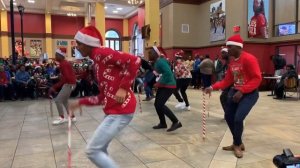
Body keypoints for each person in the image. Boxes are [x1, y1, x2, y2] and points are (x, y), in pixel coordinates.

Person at [68, 26, 141, 168]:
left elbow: (134, 61)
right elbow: (104, 96)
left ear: (89, 44)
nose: (77, 47)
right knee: (100, 149)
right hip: (113, 111)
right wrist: (81, 102)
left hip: (121, 110)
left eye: (79, 44)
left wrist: (123, 88)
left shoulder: (101, 52)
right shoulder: (96, 62)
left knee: (92, 150)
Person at [205, 34, 262, 158]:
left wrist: (242, 91)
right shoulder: (232, 62)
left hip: (249, 94)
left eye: (229, 47)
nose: (227, 49)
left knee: (238, 118)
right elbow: (227, 81)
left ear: (238, 47)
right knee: (229, 116)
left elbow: (257, 78)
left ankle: (236, 144)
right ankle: (238, 143)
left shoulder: (249, 59)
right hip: (234, 92)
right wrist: (212, 87)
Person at [149, 46, 182, 132]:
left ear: (156, 54)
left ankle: (176, 122)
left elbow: (168, 73)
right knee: (157, 104)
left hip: (169, 85)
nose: (149, 54)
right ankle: (163, 123)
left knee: (160, 104)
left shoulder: (160, 61)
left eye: (150, 53)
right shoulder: (157, 62)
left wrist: (158, 83)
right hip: (164, 85)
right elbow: (160, 73)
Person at [48, 49, 77, 125]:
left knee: (58, 100)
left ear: (61, 56)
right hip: (71, 84)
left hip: (69, 84)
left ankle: (62, 118)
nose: (55, 56)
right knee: (64, 101)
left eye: (56, 55)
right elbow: (66, 77)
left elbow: (66, 78)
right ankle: (72, 117)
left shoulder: (63, 64)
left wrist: (55, 86)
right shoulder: (64, 63)